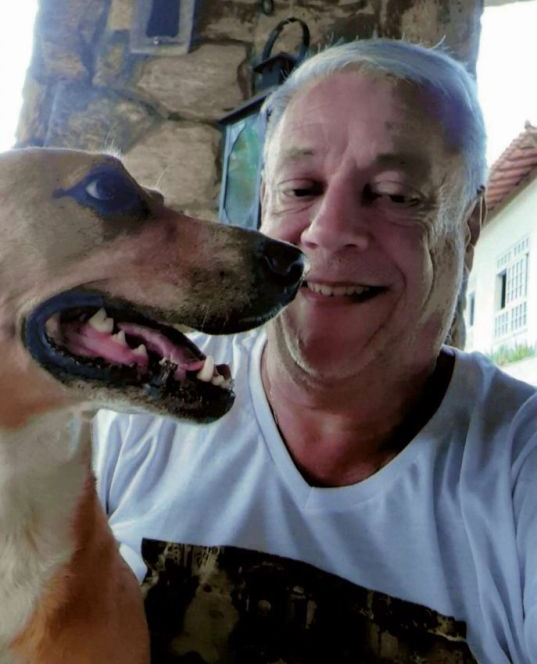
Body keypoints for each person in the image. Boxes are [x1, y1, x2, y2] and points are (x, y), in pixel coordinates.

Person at [94, 39, 537, 664]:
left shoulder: (518, 466)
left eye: (395, 194)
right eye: (301, 189)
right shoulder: (143, 402)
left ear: (466, 225)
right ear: (263, 205)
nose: (327, 230)